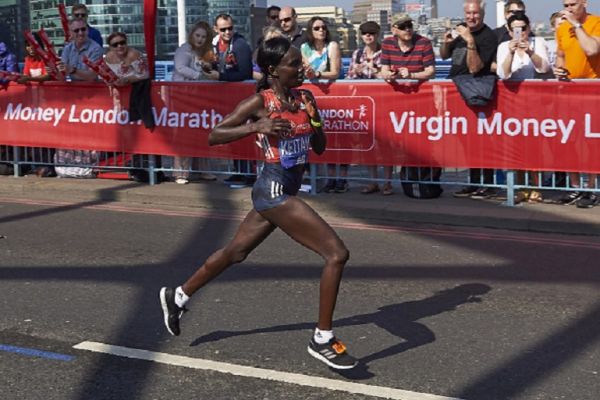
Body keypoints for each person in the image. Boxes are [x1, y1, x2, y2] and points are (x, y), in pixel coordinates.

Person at [159, 36, 357, 370]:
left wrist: (315, 120)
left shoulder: (306, 97)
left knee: (235, 253)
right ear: (273, 70)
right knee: (336, 253)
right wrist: (257, 126)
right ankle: (322, 338)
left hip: (287, 190)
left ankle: (177, 296)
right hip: (273, 189)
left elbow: (319, 147)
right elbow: (214, 134)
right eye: (293, 64)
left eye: (299, 62)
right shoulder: (259, 102)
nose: (301, 68)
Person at [440, 0, 498, 199]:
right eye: (468, 14)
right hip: (458, 91)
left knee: (484, 142)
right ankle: (473, 183)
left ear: (482, 14)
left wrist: (471, 42)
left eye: (475, 14)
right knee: (467, 142)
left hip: (477, 92)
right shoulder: (462, 30)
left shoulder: (488, 36)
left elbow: (475, 68)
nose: (471, 18)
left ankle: (488, 184)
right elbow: (446, 56)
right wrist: (446, 42)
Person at [496, 13, 550, 204]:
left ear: (529, 28)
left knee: (534, 147)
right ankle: (520, 187)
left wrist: (530, 53)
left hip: (534, 104)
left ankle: (536, 187)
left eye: (523, 29)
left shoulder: (539, 42)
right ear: (510, 32)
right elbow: (503, 73)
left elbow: (544, 68)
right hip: (512, 103)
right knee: (515, 147)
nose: (521, 33)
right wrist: (511, 53)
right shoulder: (504, 46)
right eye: (516, 30)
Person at [553, 0, 600, 208]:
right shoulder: (562, 28)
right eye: (566, 4)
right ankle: (574, 187)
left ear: (584, 3)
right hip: (569, 92)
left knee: (590, 142)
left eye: (573, 4)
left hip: (592, 92)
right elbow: (560, 57)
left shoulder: (596, 23)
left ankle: (591, 188)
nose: (569, 8)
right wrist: (558, 70)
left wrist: (577, 25)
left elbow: (591, 49)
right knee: (569, 140)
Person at [346, 22, 392, 195]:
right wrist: (356, 71)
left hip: (383, 103)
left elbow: (388, 76)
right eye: (365, 33)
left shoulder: (386, 52)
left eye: (372, 33)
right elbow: (348, 78)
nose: (368, 36)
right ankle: (373, 181)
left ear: (378, 34)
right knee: (367, 144)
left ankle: (387, 182)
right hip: (364, 105)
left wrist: (374, 70)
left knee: (386, 144)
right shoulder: (357, 54)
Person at [171, 21, 219, 184]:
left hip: (200, 97)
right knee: (183, 134)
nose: (199, 39)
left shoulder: (206, 51)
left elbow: (209, 68)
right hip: (182, 96)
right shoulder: (184, 49)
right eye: (197, 35)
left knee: (202, 132)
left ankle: (203, 170)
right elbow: (180, 67)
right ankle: (180, 172)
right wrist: (200, 75)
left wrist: (208, 70)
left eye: (203, 36)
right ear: (192, 35)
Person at [212, 13, 255, 187]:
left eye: (230, 28)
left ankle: (248, 173)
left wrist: (220, 76)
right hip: (227, 96)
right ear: (216, 29)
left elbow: (245, 73)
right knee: (232, 133)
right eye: (223, 29)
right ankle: (238, 171)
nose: (227, 32)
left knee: (243, 133)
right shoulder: (216, 45)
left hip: (243, 97)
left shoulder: (240, 45)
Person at [301, 17, 343, 192]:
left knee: (334, 136)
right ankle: (315, 177)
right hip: (312, 94)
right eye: (317, 28)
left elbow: (335, 71)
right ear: (311, 30)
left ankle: (337, 179)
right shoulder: (304, 48)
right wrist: (309, 72)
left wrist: (317, 73)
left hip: (331, 94)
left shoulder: (331, 46)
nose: (321, 31)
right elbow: (306, 70)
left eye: (324, 27)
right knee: (312, 134)